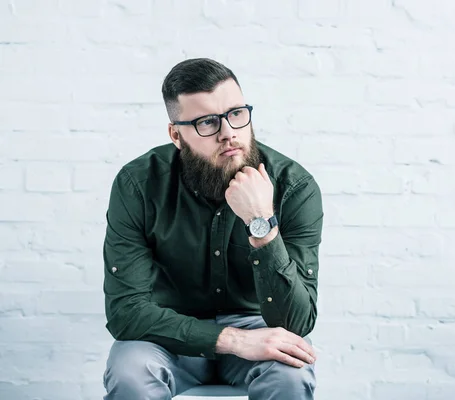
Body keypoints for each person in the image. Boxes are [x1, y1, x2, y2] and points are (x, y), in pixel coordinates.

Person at [101, 58, 324, 400]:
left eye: (236, 113)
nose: (229, 133)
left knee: (290, 375)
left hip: (260, 326)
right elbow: (125, 312)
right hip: (167, 332)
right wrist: (232, 340)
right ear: (176, 134)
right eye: (207, 122)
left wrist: (261, 222)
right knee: (130, 372)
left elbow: (297, 322)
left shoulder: (294, 186)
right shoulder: (139, 184)